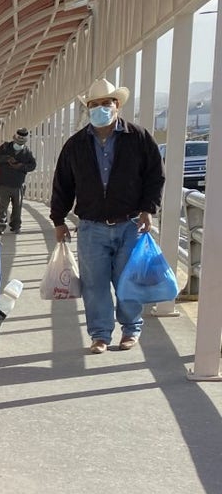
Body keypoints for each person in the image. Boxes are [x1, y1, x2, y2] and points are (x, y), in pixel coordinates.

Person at [50, 78, 164, 354]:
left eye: (106, 103)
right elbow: (63, 182)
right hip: (91, 226)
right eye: (95, 104)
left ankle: (130, 328)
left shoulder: (138, 137)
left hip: (130, 222)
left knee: (128, 279)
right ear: (88, 109)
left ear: (117, 106)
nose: (101, 108)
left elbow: (154, 175)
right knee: (94, 284)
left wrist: (148, 209)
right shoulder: (75, 145)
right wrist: (58, 219)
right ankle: (100, 334)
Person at [0, 128, 37, 234]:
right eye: (17, 142)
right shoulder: (5, 147)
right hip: (3, 183)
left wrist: (21, 166)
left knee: (17, 207)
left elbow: (33, 165)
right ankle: (0, 226)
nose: (18, 144)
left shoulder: (27, 152)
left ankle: (16, 226)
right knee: (2, 207)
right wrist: (7, 158)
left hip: (18, 185)